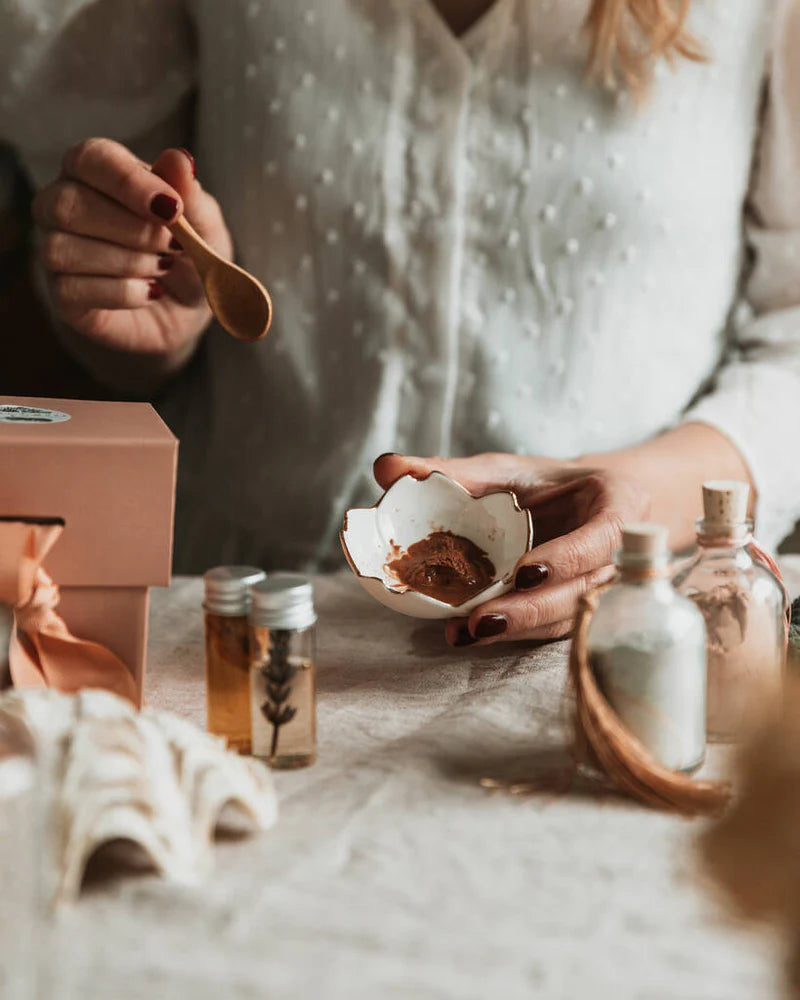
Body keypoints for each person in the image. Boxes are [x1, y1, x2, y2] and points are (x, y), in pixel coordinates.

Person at [1, 0, 799, 649]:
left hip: (629, 638)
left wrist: (640, 499)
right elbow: (111, 310)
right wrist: (153, 305)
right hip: (235, 623)